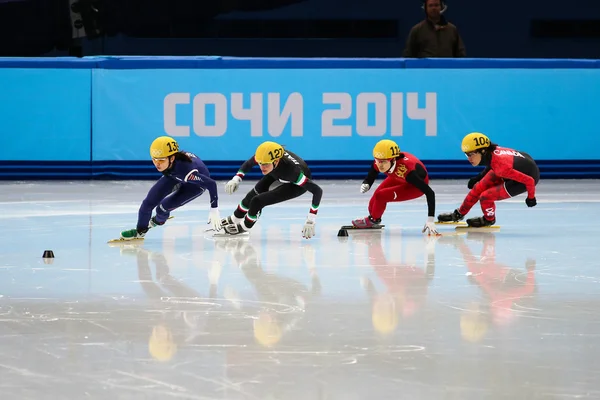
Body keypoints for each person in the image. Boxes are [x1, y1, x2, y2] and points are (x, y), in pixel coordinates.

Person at [119, 136, 222, 240]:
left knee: (162, 208)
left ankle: (157, 221)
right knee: (147, 204)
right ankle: (140, 232)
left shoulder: (186, 170)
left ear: (172, 158)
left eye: (161, 160)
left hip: (195, 185)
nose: (157, 164)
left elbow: (211, 183)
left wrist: (214, 208)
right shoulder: (169, 163)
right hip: (173, 174)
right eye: (154, 160)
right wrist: (141, 227)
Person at [219, 141, 323, 239]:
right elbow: (248, 164)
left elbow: (317, 191)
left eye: (265, 164)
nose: (262, 167)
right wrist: (236, 179)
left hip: (296, 185)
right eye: (260, 163)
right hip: (275, 172)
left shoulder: (293, 173)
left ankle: (244, 227)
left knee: (257, 201)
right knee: (250, 196)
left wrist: (311, 219)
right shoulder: (264, 156)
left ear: (276, 161)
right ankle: (235, 218)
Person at [437, 132, 540, 227]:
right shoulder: (491, 154)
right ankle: (459, 214)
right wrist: (478, 177)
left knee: (486, 197)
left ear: (483, 151)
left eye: (471, 154)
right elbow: (491, 165)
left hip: (527, 177)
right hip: (515, 166)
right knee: (478, 187)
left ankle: (489, 219)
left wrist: (531, 198)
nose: (469, 158)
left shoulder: (501, 167)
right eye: (466, 154)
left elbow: (529, 180)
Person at [352, 139, 439, 236]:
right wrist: (367, 182)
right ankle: (373, 216)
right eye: (377, 160)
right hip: (398, 176)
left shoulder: (409, 172)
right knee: (374, 202)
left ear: (393, 160)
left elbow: (430, 192)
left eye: (383, 162)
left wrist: (430, 220)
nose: (380, 165)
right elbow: (374, 169)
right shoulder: (382, 160)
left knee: (381, 196)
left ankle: (374, 220)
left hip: (415, 186)